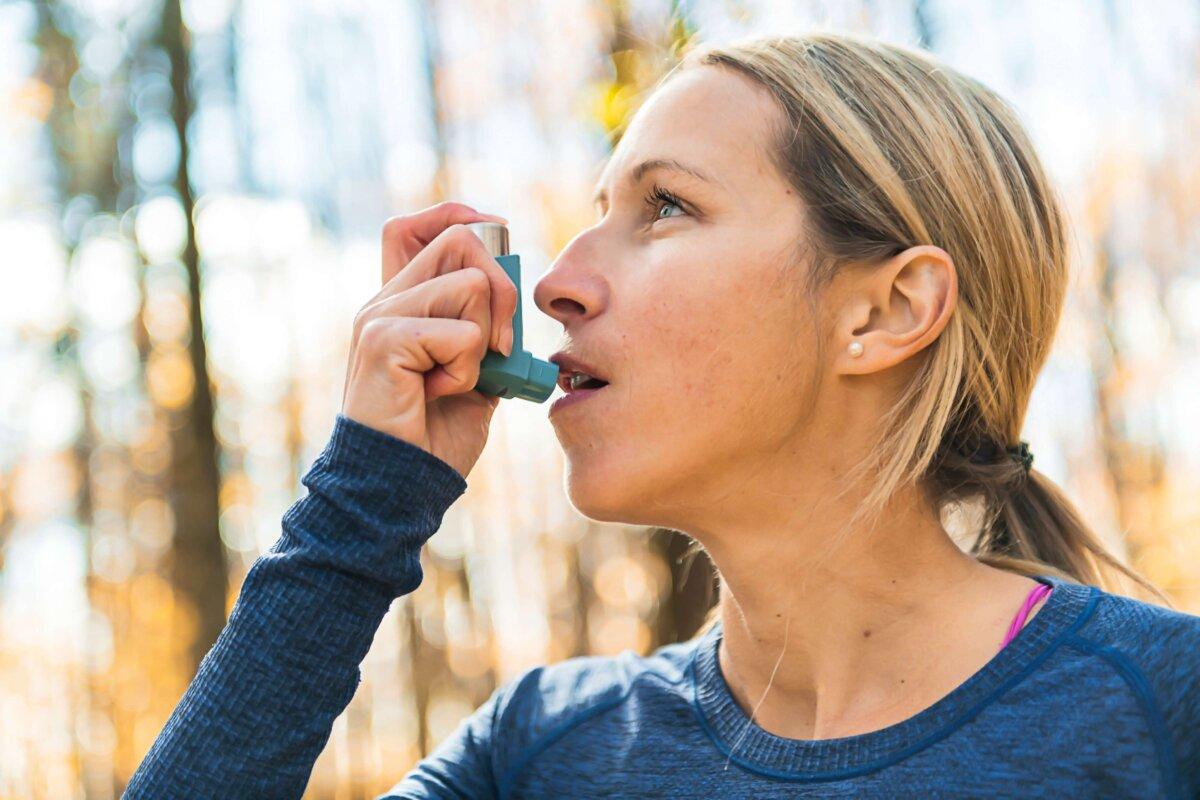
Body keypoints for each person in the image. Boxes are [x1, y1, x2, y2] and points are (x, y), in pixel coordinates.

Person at [124, 32, 1200, 799]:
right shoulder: (544, 751)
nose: (554, 283)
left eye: (667, 207)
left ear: (884, 309)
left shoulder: (1166, 710)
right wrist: (364, 504)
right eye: (600, 213)